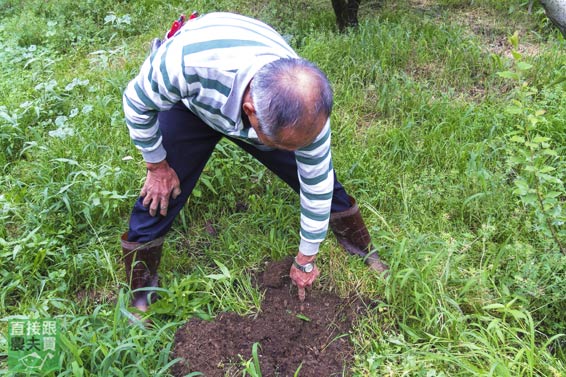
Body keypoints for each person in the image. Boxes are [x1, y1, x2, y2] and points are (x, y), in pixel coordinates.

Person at [121, 12, 388, 313]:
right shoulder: (185, 64)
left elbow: (317, 184)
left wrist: (306, 258)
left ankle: (360, 247)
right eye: (282, 145)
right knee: (160, 192)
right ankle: (141, 292)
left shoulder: (307, 113)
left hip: (263, 110)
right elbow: (135, 103)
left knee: (319, 179)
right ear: (250, 112)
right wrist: (157, 166)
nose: (296, 150)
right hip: (194, 104)